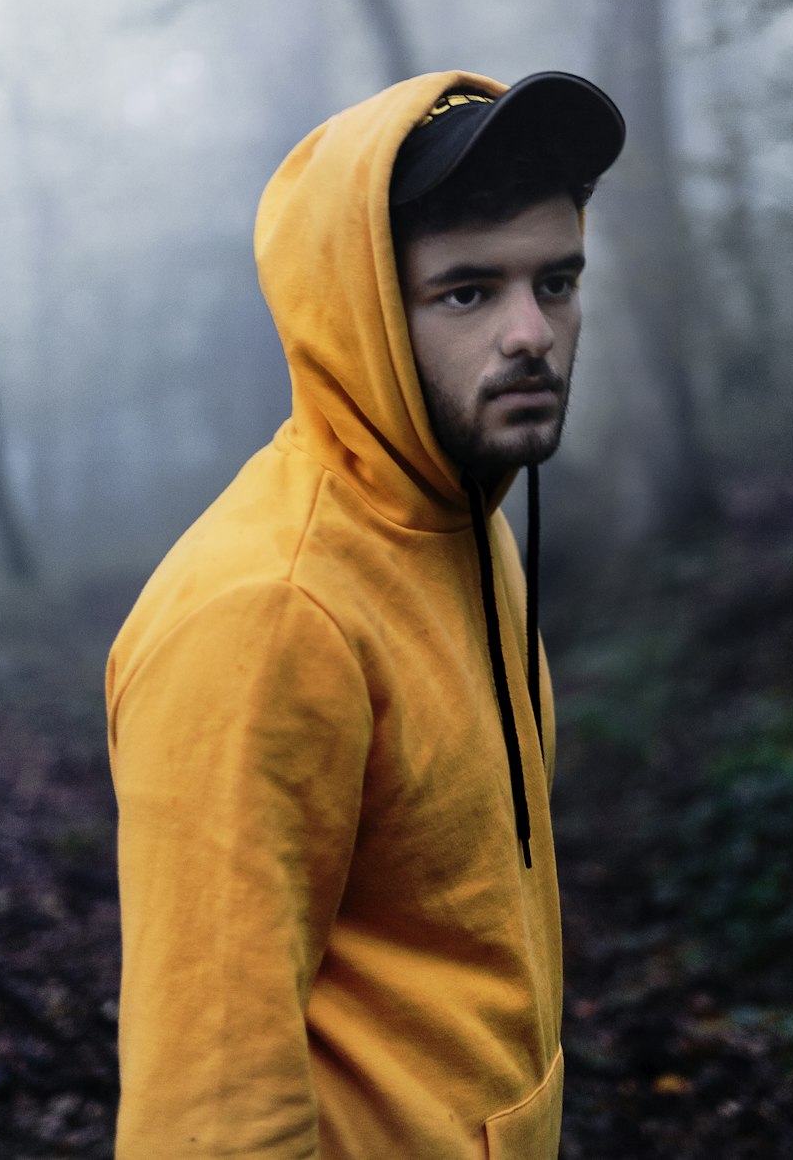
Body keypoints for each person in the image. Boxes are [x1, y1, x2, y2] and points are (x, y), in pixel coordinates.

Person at [106, 68, 625, 1159]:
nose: (531, 332)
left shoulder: (461, 510)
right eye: (467, 293)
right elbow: (207, 1117)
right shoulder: (264, 615)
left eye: (557, 282)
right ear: (364, 317)